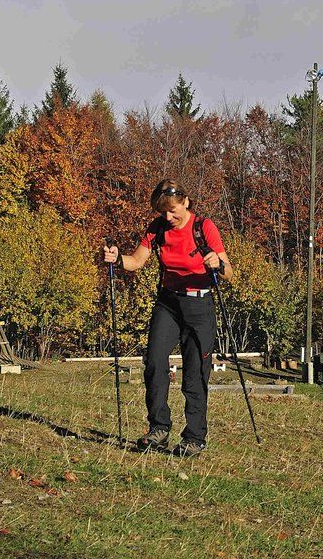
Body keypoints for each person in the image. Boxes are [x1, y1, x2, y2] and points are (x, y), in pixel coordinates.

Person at [103, 179, 232, 457]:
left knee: (196, 372)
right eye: (163, 213)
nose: (169, 217)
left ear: (185, 201)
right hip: (169, 303)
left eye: (173, 211)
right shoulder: (157, 228)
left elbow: (228, 271)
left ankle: (194, 437)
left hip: (199, 305)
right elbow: (136, 261)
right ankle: (159, 428)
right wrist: (117, 259)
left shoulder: (203, 227)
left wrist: (217, 264)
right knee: (155, 361)